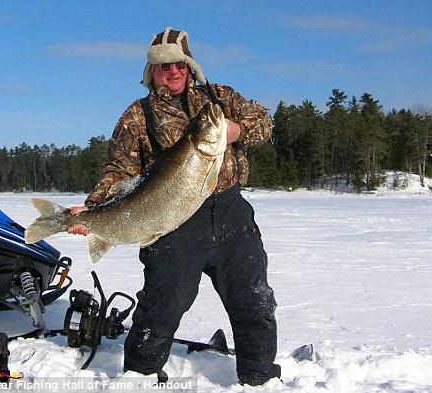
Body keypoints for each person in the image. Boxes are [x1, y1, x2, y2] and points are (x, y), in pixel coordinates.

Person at [69, 27, 280, 386]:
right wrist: (93, 210)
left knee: (254, 302)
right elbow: (119, 170)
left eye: (179, 65)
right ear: (151, 72)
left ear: (190, 66)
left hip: (231, 216)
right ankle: (139, 376)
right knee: (162, 306)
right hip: (172, 221)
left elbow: (264, 123)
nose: (173, 72)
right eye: (163, 66)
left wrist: (236, 131)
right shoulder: (137, 116)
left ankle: (260, 378)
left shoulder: (220, 97)